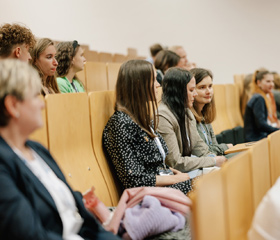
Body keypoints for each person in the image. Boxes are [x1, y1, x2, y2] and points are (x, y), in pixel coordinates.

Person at [0, 59, 119, 240]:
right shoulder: (3, 163)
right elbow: (30, 235)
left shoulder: (37, 150)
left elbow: (84, 219)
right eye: (34, 96)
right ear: (12, 105)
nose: (42, 104)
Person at [103, 60, 193, 195]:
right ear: (139, 85)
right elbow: (133, 180)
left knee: (213, 182)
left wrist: (172, 172)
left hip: (165, 187)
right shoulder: (120, 124)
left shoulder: (141, 118)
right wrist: (174, 178)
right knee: (208, 186)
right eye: (154, 80)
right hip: (148, 195)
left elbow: (152, 164)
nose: (158, 85)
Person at [157, 67, 227, 172]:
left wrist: (215, 158)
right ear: (178, 92)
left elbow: (200, 149)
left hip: (188, 171)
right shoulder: (163, 116)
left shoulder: (187, 112)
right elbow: (175, 163)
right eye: (191, 90)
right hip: (174, 175)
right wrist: (213, 161)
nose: (195, 94)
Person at [190, 68, 233, 155]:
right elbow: (202, 152)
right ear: (191, 90)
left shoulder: (204, 114)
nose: (208, 91)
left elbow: (214, 147)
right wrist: (225, 147)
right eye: (202, 87)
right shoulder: (188, 117)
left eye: (210, 86)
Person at [244, 70, 279, 142]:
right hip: (255, 139)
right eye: (268, 81)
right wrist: (277, 131)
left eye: (272, 81)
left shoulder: (259, 96)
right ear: (259, 83)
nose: (272, 84)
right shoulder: (258, 98)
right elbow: (261, 125)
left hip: (259, 137)